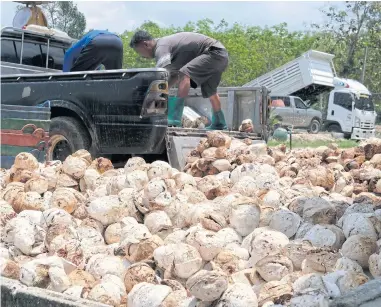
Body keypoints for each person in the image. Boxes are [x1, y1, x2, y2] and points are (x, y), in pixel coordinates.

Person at [129, 30, 229, 130]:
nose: (141, 56)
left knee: (184, 74)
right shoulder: (169, 49)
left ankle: (175, 117)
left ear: (145, 44)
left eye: (138, 51)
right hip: (221, 55)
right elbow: (172, 77)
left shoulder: (161, 48)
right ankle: (220, 123)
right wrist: (160, 92)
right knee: (210, 91)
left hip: (213, 52)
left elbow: (160, 76)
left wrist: (150, 98)